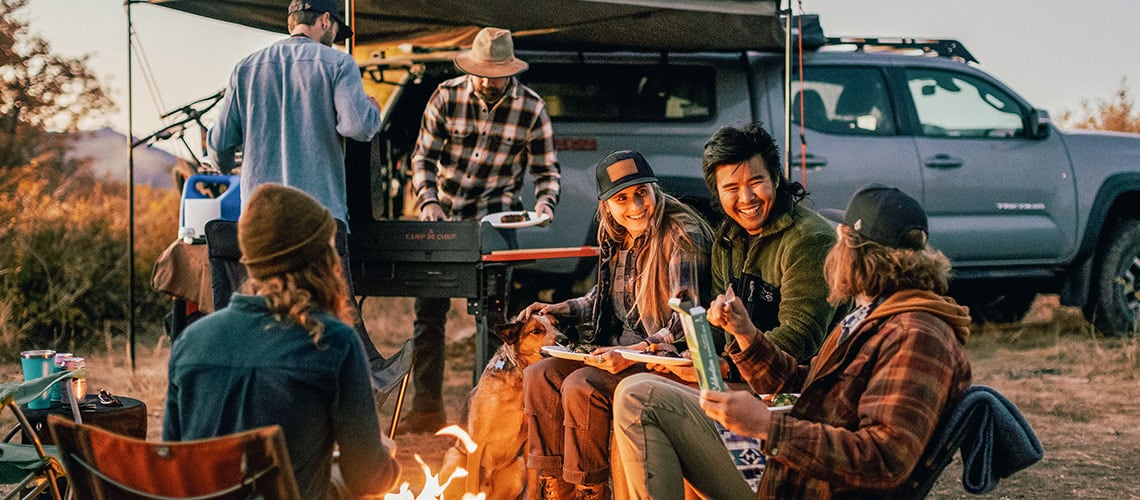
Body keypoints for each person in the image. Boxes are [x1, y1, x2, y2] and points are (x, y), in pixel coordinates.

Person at [612, 184, 973, 499]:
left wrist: (767, 427)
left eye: (842, 239)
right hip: (795, 465)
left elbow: (885, 460)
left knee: (641, 397)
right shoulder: (881, 314)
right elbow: (809, 384)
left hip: (806, 484)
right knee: (641, 388)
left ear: (862, 254)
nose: (835, 251)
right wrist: (747, 335)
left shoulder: (916, 335)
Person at [163, 184, 400, 499]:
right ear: (320, 260)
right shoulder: (335, 342)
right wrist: (387, 459)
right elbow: (366, 479)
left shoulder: (190, 342)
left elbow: (173, 464)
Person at [521, 150, 711, 500]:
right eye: (622, 198)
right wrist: (557, 309)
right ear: (607, 205)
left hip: (661, 361)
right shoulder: (618, 234)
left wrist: (633, 352)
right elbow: (603, 299)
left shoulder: (682, 235)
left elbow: (688, 320)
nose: (636, 205)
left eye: (642, 192)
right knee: (539, 375)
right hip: (618, 353)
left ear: (655, 190)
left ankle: (591, 489)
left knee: (582, 385)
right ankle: (557, 488)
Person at [207, 0, 386, 363]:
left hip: (262, 221)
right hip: (320, 218)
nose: (334, 36)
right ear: (324, 21)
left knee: (269, 319)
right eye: (335, 28)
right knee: (332, 320)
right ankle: (351, 392)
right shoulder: (337, 63)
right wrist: (373, 109)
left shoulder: (247, 67)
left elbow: (220, 144)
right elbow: (357, 126)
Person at [402, 26, 561, 433]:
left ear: (511, 71)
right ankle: (425, 410)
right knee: (429, 315)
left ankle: (490, 412)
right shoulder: (446, 96)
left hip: (497, 217)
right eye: (483, 73)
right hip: (444, 215)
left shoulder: (531, 107)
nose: (489, 82)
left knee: (494, 322)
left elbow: (546, 170)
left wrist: (545, 203)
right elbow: (421, 158)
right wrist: (430, 202)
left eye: (498, 74)